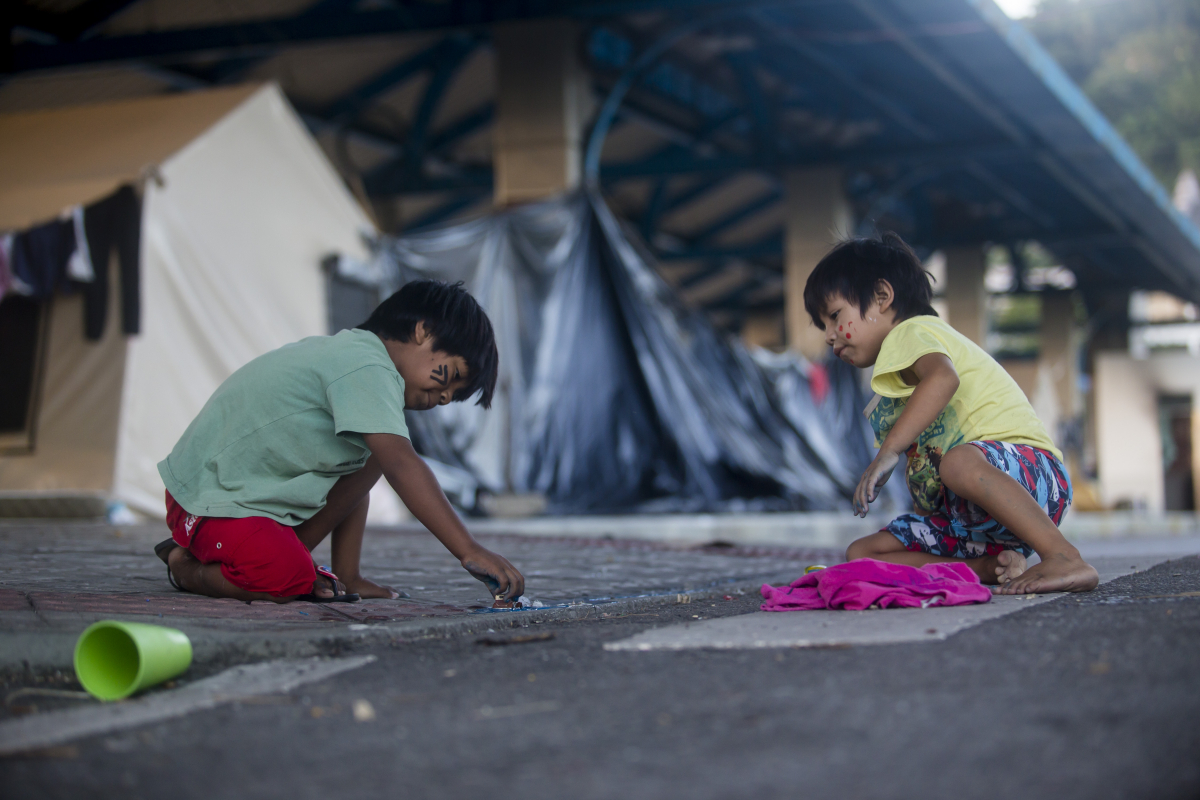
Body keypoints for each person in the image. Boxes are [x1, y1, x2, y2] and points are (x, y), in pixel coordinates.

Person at [154, 280, 525, 605]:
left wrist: (350, 576)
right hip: (206, 504)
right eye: (451, 376)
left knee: (370, 457)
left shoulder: (360, 363)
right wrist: (468, 549)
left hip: (237, 503)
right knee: (287, 579)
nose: (445, 397)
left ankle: (334, 571)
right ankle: (185, 567)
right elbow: (402, 464)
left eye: (454, 395)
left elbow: (365, 474)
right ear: (423, 331)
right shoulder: (367, 365)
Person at [803, 234, 1098, 594]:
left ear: (882, 297)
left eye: (835, 317)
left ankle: (1063, 555)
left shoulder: (912, 332)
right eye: (824, 328)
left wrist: (889, 451)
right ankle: (984, 568)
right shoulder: (896, 380)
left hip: (1035, 478)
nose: (831, 337)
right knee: (862, 553)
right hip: (975, 519)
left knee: (958, 463)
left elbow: (945, 378)